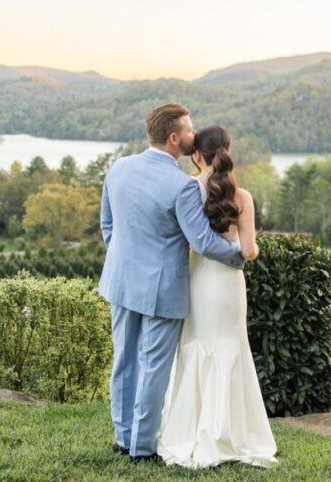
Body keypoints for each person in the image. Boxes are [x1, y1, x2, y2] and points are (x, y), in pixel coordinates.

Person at [98, 104, 251, 463]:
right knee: (153, 367)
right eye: (189, 130)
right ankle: (142, 448)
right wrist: (240, 255)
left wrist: (124, 260)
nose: (193, 135)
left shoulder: (118, 168)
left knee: (124, 361)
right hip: (161, 290)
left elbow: (108, 225)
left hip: (120, 281)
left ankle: (122, 438)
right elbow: (203, 243)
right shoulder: (182, 186)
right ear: (173, 138)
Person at [157, 124, 278, 469]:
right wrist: (241, 248)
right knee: (229, 347)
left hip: (198, 280)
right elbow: (249, 251)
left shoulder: (188, 189)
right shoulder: (242, 197)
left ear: (197, 155)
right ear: (227, 151)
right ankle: (229, 434)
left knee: (197, 345)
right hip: (227, 284)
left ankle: (193, 430)